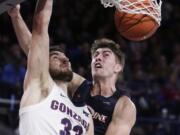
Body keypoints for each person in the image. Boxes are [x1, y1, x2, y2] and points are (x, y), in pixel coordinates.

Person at [8, 4, 136, 135]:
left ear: (118, 67)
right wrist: (16, 16)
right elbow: (37, 53)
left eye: (105, 55)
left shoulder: (124, 104)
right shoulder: (79, 85)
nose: (98, 58)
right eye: (95, 55)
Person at [8, 0, 93, 134]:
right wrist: (16, 16)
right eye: (55, 57)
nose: (64, 59)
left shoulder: (86, 114)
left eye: (66, 58)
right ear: (43, 64)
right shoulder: (40, 85)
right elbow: (40, 24)